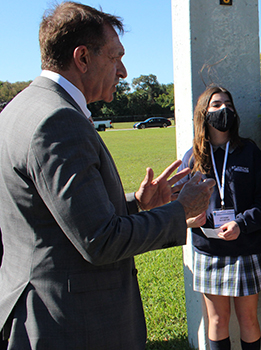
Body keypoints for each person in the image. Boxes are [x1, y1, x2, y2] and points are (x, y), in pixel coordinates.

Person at [0, 3, 215, 349]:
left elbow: (58, 216)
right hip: (73, 323)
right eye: (115, 58)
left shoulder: (22, 108)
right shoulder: (58, 121)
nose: (124, 71)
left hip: (43, 314)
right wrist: (180, 210)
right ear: (82, 58)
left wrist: (136, 204)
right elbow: (99, 240)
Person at [177, 86, 261, 350]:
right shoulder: (192, 158)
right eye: (216, 105)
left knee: (248, 319)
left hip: (245, 249)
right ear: (203, 113)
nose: (224, 110)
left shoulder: (250, 153)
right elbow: (179, 206)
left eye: (228, 104)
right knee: (217, 321)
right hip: (209, 251)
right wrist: (188, 221)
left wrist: (241, 224)